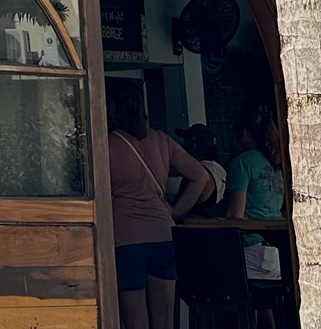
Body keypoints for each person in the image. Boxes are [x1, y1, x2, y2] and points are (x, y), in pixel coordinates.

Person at [106, 82, 209, 329]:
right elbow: (201, 176)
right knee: (165, 320)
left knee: (135, 321)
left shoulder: (107, 144)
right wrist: (175, 211)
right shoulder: (162, 140)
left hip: (126, 239)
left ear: (111, 109)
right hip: (164, 235)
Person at [220, 108, 285, 227]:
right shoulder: (274, 161)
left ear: (243, 132)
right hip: (274, 237)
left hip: (250, 240)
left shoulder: (241, 162)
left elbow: (234, 216)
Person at [178, 126, 227, 209]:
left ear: (194, 146)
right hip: (216, 221)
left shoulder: (196, 173)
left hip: (194, 221)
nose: (182, 146)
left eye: (185, 142)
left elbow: (178, 210)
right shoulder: (220, 170)